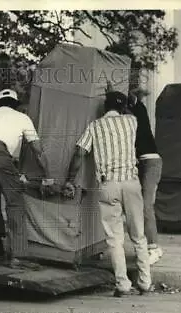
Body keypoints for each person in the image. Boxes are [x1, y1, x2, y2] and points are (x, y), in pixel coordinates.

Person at [63, 90, 151, 297]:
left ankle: (122, 284)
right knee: (138, 235)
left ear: (104, 108)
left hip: (108, 185)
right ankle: (145, 281)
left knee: (114, 238)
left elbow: (79, 154)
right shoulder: (131, 121)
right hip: (131, 183)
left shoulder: (94, 126)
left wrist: (69, 179)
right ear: (122, 108)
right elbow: (132, 108)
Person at [0, 88, 54, 266]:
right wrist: (48, 176)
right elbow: (37, 150)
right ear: (16, 105)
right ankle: (18, 256)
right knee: (15, 202)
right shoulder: (22, 118)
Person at [128, 88, 163, 265]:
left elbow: (137, 106)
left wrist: (137, 97)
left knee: (146, 206)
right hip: (144, 163)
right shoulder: (131, 121)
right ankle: (150, 246)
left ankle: (154, 248)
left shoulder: (139, 115)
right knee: (140, 206)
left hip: (151, 162)